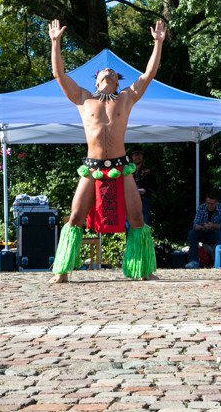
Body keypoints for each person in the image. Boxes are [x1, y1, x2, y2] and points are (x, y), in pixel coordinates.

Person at [47, 18, 166, 284]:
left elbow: (148, 75)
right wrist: (55, 42)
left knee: (137, 218)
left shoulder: (126, 97)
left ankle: (142, 268)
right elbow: (59, 75)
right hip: (92, 168)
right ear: (97, 81)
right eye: (104, 72)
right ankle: (62, 270)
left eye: (113, 73)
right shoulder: (83, 98)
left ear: (117, 82)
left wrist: (158, 44)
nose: (109, 72)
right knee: (75, 217)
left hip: (122, 166)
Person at [185, 191, 221, 269]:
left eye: (212, 204)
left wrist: (213, 225)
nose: (209, 206)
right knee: (192, 233)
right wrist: (202, 226)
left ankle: (218, 261)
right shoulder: (201, 208)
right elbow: (195, 225)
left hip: (216, 234)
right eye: (208, 203)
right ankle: (194, 261)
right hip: (204, 233)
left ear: (216, 203)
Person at [130, 147, 156, 225]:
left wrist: (146, 191)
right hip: (130, 200)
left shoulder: (148, 171)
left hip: (144, 199)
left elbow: (154, 186)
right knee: (129, 223)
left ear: (142, 156)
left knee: (144, 223)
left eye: (139, 155)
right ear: (132, 157)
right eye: (135, 155)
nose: (137, 157)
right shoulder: (127, 170)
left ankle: (143, 234)